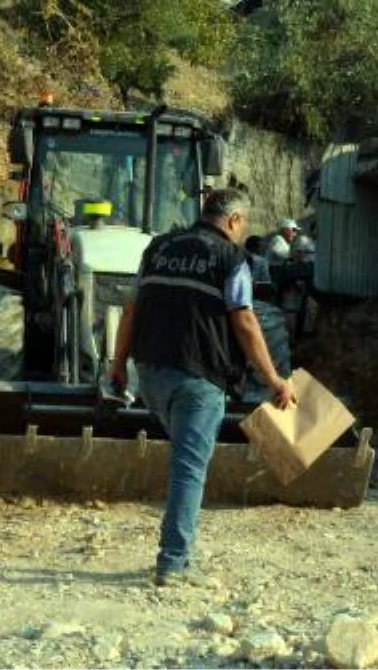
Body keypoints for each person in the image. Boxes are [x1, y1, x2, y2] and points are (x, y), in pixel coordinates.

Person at [110, 187, 295, 587]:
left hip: (152, 373)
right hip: (199, 376)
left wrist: (117, 365)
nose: (242, 232)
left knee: (183, 458)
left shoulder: (158, 248)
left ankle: (175, 554)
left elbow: (131, 308)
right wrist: (273, 379)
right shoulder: (232, 257)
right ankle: (173, 563)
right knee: (189, 469)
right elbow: (244, 321)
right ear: (233, 221)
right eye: (243, 225)